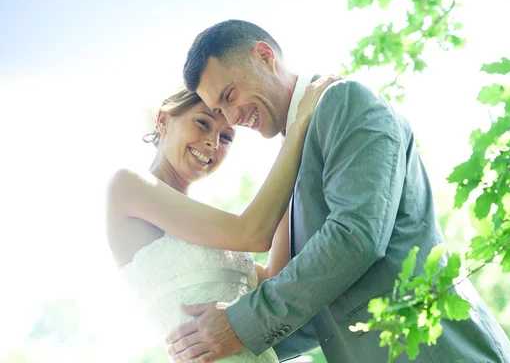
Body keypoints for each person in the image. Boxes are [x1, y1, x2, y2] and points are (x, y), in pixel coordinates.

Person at [166, 19, 510, 363]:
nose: (230, 118)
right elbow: (324, 308)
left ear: (264, 56)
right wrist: (218, 345)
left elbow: (356, 236)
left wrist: (241, 323)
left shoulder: (344, 101)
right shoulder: (294, 155)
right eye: (217, 109)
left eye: (230, 95)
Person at [106, 77, 339, 362]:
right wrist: (297, 127)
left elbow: (273, 279)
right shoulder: (128, 185)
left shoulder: (207, 228)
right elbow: (253, 233)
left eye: (226, 136)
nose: (213, 142)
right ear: (163, 120)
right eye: (203, 123)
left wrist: (295, 165)